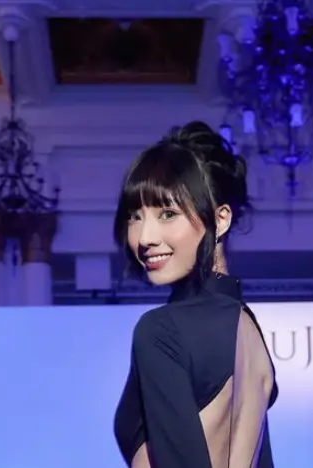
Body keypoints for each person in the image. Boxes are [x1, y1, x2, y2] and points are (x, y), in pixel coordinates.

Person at [111, 121, 278, 468]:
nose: (145, 237)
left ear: (221, 220)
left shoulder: (162, 331)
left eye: (168, 214)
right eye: (135, 216)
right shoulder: (248, 329)